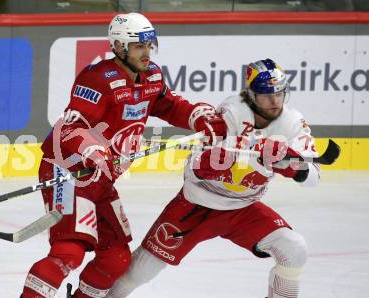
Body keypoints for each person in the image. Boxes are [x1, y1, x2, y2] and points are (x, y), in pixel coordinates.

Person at [21, 12, 226, 298]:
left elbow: (170, 106)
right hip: (69, 170)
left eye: (149, 45)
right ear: (119, 47)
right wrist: (92, 148)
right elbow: (70, 129)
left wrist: (197, 116)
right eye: (138, 46)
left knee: (115, 258)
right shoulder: (97, 80)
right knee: (69, 252)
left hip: (101, 179)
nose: (146, 52)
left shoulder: (152, 75)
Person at [107, 58, 320, 298]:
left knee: (295, 249)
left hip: (243, 209)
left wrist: (292, 166)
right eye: (266, 94)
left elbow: (314, 176)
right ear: (251, 95)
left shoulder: (292, 123)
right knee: (140, 271)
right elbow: (198, 167)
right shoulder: (233, 111)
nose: (275, 101)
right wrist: (221, 157)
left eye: (280, 93)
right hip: (196, 205)